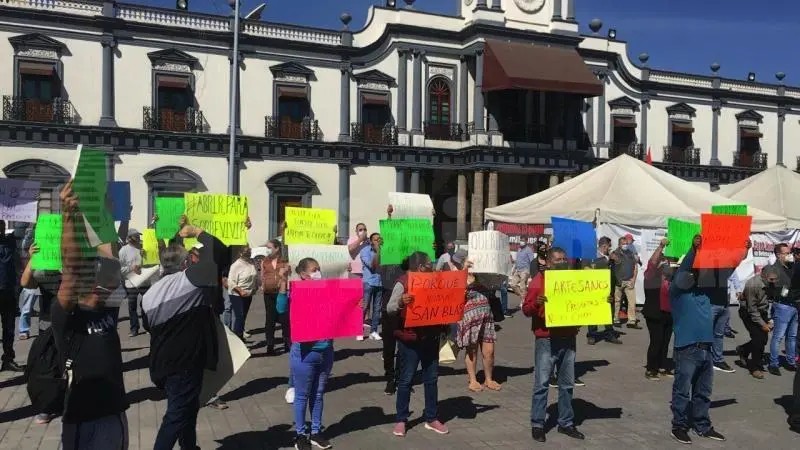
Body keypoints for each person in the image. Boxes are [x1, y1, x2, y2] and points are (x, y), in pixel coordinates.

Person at [54, 180, 129, 449]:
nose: (103, 287)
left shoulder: (109, 305)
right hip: (81, 417)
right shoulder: (66, 316)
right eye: (93, 283)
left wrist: (103, 218)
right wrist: (68, 215)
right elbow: (71, 268)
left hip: (114, 413)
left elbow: (111, 262)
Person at [142, 216, 227, 450]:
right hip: (184, 362)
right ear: (185, 263)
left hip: (162, 361)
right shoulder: (189, 280)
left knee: (187, 409)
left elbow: (149, 327)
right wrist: (197, 231)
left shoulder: (150, 294)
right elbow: (216, 250)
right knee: (177, 414)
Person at [523, 247, 584, 443]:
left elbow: (583, 304)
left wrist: (601, 302)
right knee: (541, 384)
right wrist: (537, 303)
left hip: (568, 338)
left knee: (567, 384)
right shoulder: (538, 282)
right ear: (548, 263)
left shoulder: (573, 281)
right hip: (546, 339)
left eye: (564, 259)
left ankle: (566, 423)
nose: (561, 262)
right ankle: (538, 424)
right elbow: (526, 309)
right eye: (557, 260)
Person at [669, 235, 726, 444]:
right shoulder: (678, 292)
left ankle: (702, 425)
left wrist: (743, 251)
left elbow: (727, 268)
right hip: (686, 348)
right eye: (695, 271)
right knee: (682, 391)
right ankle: (679, 426)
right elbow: (685, 270)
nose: (697, 274)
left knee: (703, 392)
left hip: (706, 348)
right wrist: (695, 250)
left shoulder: (706, 292)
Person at [387, 251, 449, 437]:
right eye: (430, 263)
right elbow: (389, 308)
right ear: (421, 267)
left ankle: (431, 418)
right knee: (406, 380)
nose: (433, 266)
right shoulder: (403, 282)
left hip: (431, 338)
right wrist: (401, 301)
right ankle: (401, 419)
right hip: (410, 340)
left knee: (431, 379)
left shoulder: (435, 281)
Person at [278, 258, 335, 450]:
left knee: (318, 395)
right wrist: (283, 282)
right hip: (304, 354)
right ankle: (300, 434)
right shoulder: (297, 292)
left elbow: (342, 309)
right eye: (314, 270)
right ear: (303, 274)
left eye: (319, 269)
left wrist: (356, 303)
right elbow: (280, 308)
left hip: (326, 351)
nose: (318, 273)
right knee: (302, 396)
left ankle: (316, 432)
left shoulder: (326, 290)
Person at [20, 243, 61, 424]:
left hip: (73, 321)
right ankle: (48, 406)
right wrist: (32, 258)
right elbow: (26, 282)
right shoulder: (44, 265)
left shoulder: (76, 260)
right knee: (48, 363)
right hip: (48, 322)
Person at [458, 271, 501, 392]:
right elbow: (455, 297)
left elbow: (496, 285)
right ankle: (473, 380)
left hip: (487, 317)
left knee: (489, 351)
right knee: (472, 350)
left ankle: (489, 379)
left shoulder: (485, 275)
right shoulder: (462, 276)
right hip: (470, 318)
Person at [736, 265, 778, 379]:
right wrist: (763, 324)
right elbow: (752, 309)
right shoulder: (753, 285)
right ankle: (755, 368)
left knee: (763, 339)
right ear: (764, 276)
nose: (774, 282)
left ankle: (743, 349)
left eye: (775, 279)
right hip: (748, 312)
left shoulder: (771, 283)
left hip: (762, 311)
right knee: (758, 339)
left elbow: (770, 301)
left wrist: (769, 320)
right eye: (771, 280)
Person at [642, 238, 674, 380]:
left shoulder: (673, 279)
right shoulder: (651, 276)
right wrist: (661, 246)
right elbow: (652, 262)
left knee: (666, 341)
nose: (667, 264)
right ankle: (651, 369)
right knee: (657, 341)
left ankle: (662, 366)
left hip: (669, 313)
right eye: (665, 261)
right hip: (655, 312)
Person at [766, 243, 798, 375]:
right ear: (779, 255)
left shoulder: (792, 267)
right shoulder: (774, 269)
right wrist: (791, 292)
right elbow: (777, 290)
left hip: (794, 305)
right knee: (778, 336)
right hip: (783, 306)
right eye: (786, 253)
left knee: (792, 336)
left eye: (790, 253)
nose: (789, 255)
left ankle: (791, 361)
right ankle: (773, 363)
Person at [586, 236, 622, 345]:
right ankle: (592, 334)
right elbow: (587, 269)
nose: (610, 248)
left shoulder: (610, 257)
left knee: (609, 310)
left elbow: (618, 268)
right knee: (593, 311)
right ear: (604, 246)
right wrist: (605, 260)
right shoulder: (592, 256)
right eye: (609, 246)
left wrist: (617, 261)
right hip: (594, 289)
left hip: (608, 288)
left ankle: (609, 333)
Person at [261, 238, 289, 355]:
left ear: (277, 248)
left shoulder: (285, 261)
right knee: (270, 319)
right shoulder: (264, 261)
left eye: (269, 248)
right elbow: (262, 275)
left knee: (284, 319)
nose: (267, 250)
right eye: (266, 248)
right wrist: (263, 286)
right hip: (268, 294)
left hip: (281, 293)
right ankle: (270, 345)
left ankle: (287, 342)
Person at [228, 244, 257, 339]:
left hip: (249, 293)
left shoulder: (252, 262)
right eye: (245, 252)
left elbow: (255, 276)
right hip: (237, 294)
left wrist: (255, 287)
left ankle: (241, 337)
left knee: (243, 316)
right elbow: (231, 282)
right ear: (240, 253)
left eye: (249, 251)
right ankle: (238, 340)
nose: (248, 253)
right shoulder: (236, 265)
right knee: (239, 317)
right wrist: (240, 291)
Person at [119, 228, 144, 337]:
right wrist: (131, 268)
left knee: (147, 305)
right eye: (136, 236)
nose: (138, 238)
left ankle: (148, 326)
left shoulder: (144, 247)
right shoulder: (123, 251)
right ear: (129, 238)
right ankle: (134, 328)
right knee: (132, 307)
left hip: (145, 282)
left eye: (139, 235)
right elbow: (119, 269)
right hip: (131, 283)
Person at [611, 236, 640, 328]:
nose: (625, 245)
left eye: (626, 244)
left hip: (629, 281)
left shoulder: (631, 253)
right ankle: (616, 318)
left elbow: (635, 266)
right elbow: (610, 267)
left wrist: (634, 279)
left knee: (632, 302)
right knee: (617, 301)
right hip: (618, 282)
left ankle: (631, 321)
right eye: (623, 244)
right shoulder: (615, 253)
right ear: (619, 244)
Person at [359, 232, 383, 341]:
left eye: (379, 240)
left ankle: (373, 332)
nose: (378, 241)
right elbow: (372, 266)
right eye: (375, 240)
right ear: (370, 241)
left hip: (380, 282)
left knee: (377, 309)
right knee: (364, 307)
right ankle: (359, 331)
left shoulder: (385, 251)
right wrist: (378, 252)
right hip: (368, 282)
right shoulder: (365, 251)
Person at [510, 236, 534, 302]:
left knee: (522, 287)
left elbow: (532, 261)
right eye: (521, 240)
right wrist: (514, 268)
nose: (521, 242)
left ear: (526, 241)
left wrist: (532, 272)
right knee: (513, 284)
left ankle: (524, 300)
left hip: (525, 270)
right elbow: (518, 260)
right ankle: (523, 297)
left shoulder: (529, 250)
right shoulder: (519, 249)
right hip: (518, 270)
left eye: (523, 240)